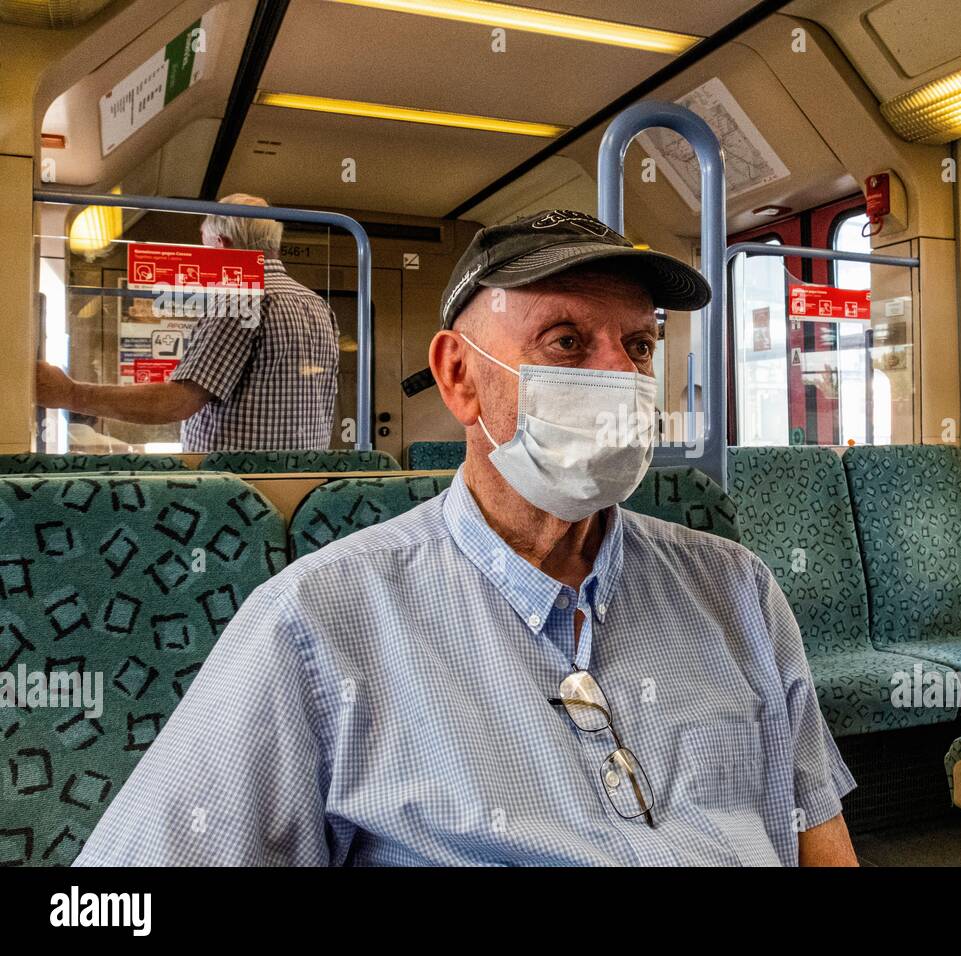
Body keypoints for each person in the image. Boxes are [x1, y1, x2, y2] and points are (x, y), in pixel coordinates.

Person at [73, 209, 858, 867]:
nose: (621, 378)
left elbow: (816, 838)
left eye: (640, 346)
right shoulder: (317, 624)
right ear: (457, 376)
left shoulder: (736, 589)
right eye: (566, 341)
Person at [35, 194, 339, 452]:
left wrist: (71, 394)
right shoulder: (317, 305)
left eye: (205, 246)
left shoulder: (242, 299)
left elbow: (177, 403)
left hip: (239, 491)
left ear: (221, 245)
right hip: (301, 482)